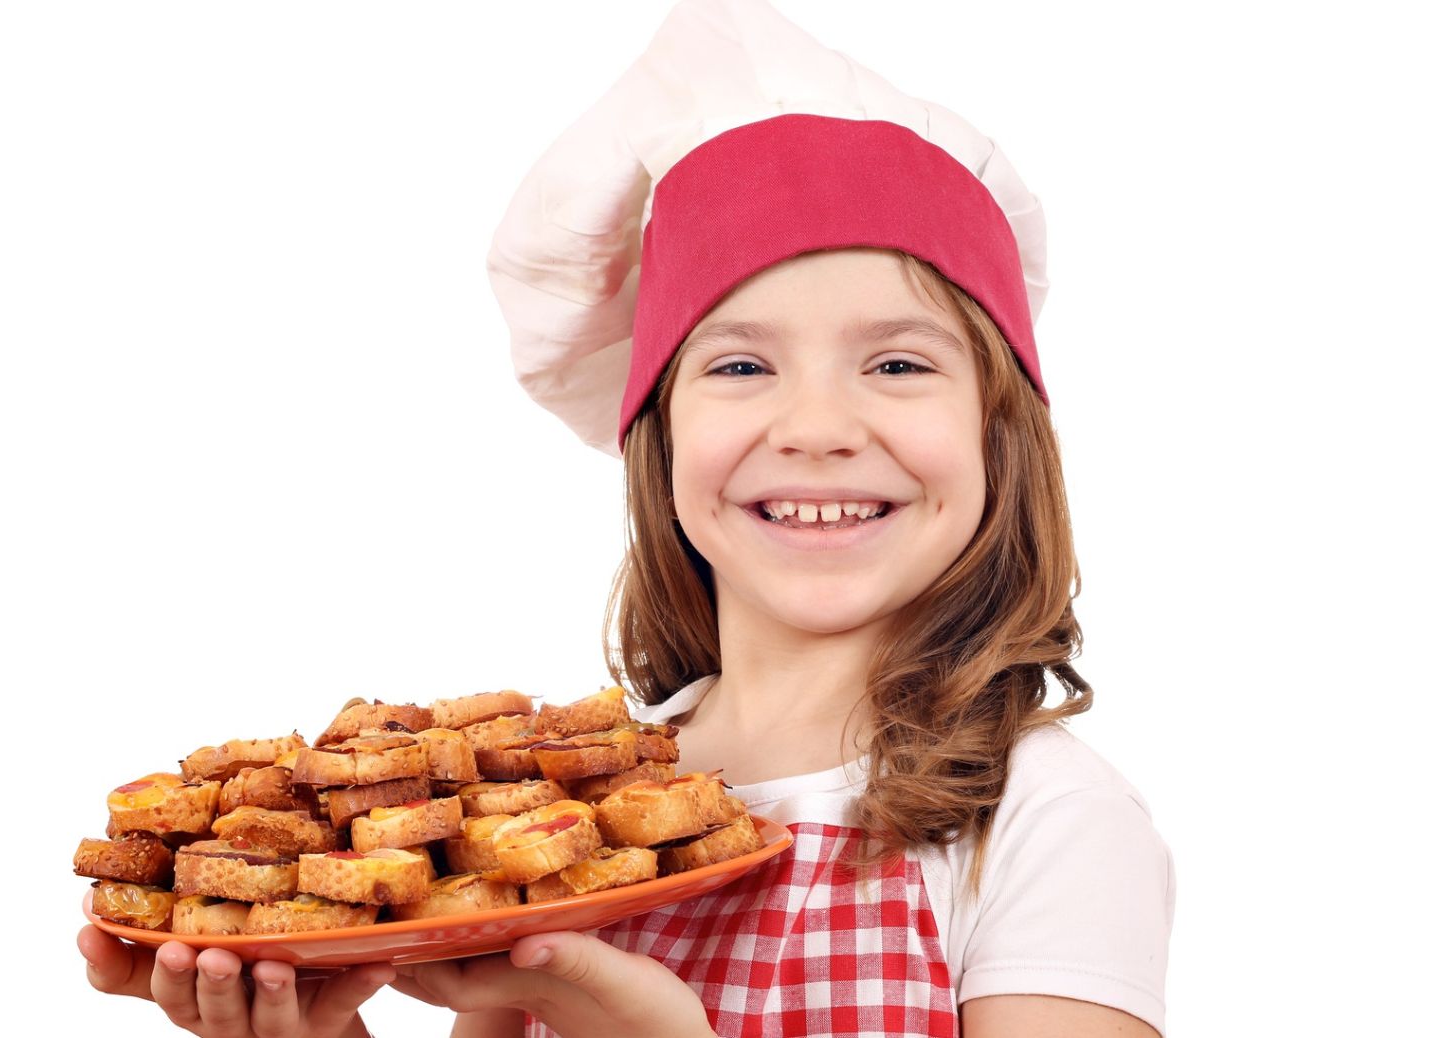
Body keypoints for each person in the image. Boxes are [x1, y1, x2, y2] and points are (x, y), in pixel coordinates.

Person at [75, 2, 1174, 1036]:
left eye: (896, 362)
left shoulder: (1047, 824)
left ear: (1000, 433)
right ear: (656, 437)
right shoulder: (572, 809)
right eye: (740, 364)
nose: (818, 426)